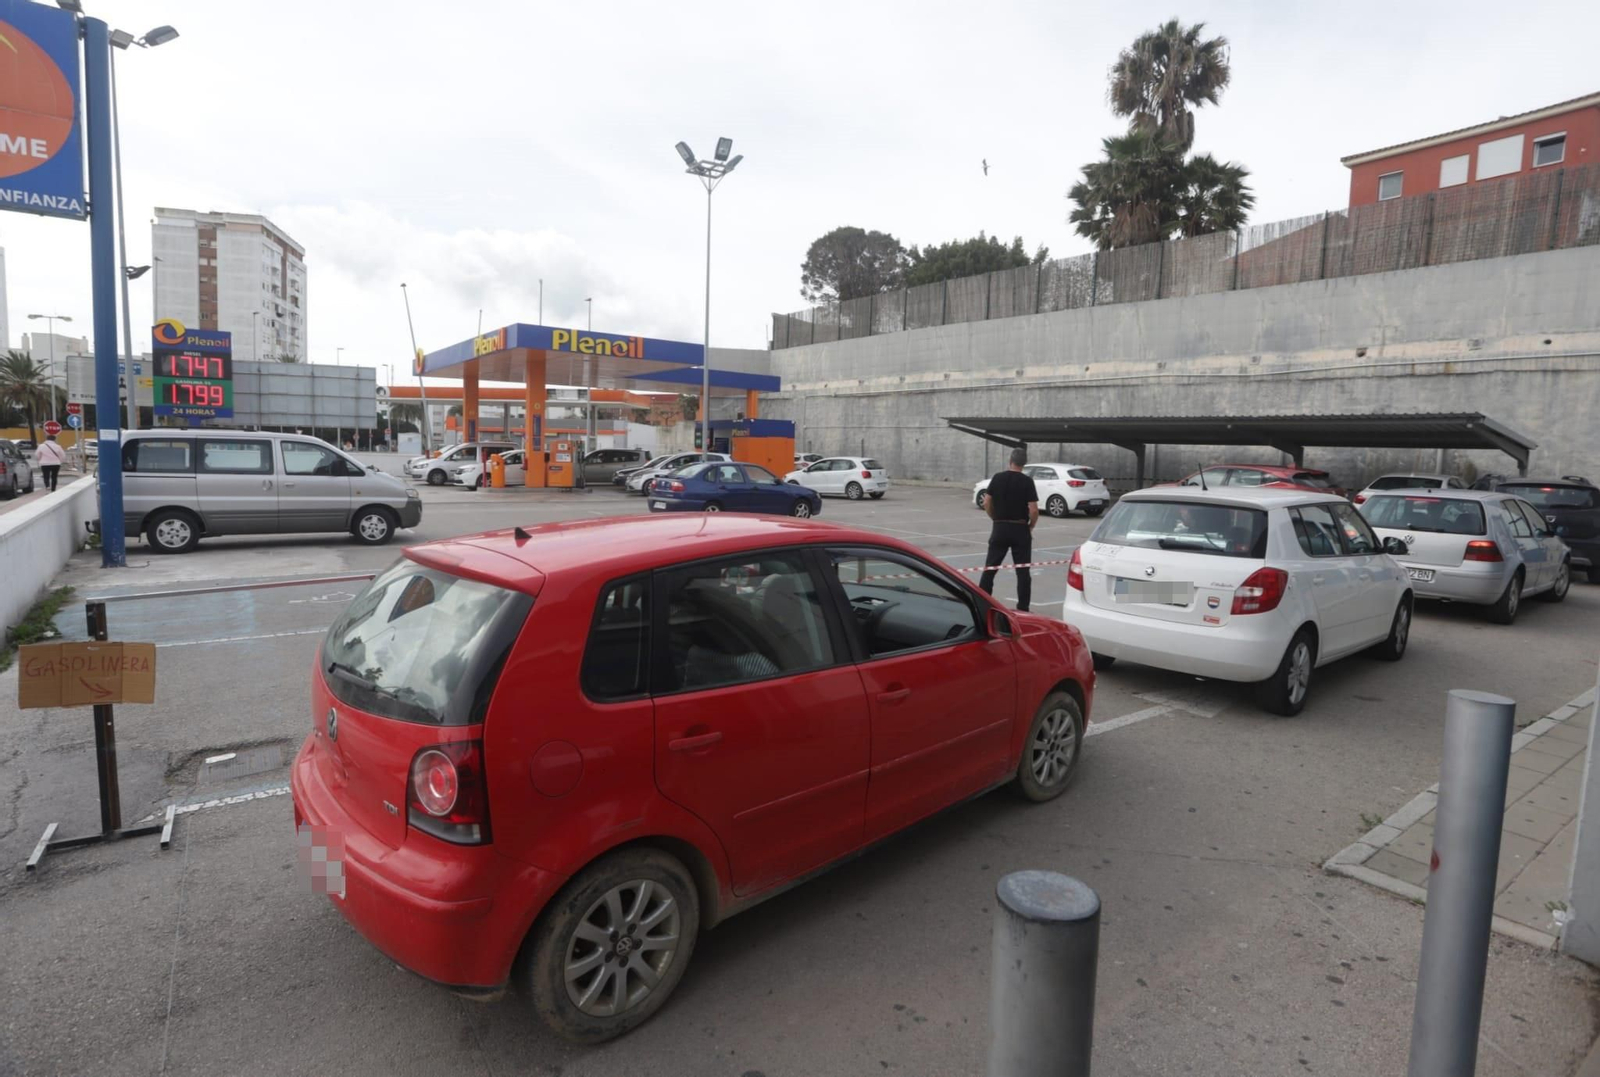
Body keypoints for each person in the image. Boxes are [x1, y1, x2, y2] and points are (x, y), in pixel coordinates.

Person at [978, 448, 1039, 612]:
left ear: (1010, 461)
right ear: (1024, 464)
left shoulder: (998, 478)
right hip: (1020, 529)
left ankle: (982, 603)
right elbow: (1033, 510)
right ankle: (1023, 608)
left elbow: (986, 502)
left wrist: (994, 518)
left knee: (990, 568)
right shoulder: (1027, 481)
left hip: (1000, 527)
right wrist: (1030, 526)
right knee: (1023, 572)